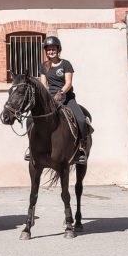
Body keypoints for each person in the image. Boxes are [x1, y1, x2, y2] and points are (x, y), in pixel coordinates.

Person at [38, 36, 89, 165]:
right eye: (48, 49)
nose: (51, 51)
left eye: (53, 49)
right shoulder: (44, 66)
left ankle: (82, 147)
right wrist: (47, 97)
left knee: (81, 120)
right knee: (32, 119)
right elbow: (44, 85)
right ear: (46, 51)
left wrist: (61, 92)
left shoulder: (65, 64)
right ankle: (32, 148)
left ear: (58, 49)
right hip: (50, 99)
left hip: (66, 97)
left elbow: (68, 83)